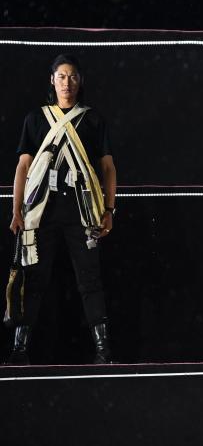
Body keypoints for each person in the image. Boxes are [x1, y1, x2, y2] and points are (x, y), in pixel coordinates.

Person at [7, 54, 117, 365]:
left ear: (80, 81)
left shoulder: (93, 120)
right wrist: (16, 210)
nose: (67, 83)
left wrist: (109, 209)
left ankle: (103, 351)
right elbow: (23, 167)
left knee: (90, 280)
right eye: (61, 76)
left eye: (72, 77)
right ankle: (19, 351)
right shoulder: (35, 119)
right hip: (40, 212)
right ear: (52, 80)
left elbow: (108, 168)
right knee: (33, 279)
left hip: (83, 213)